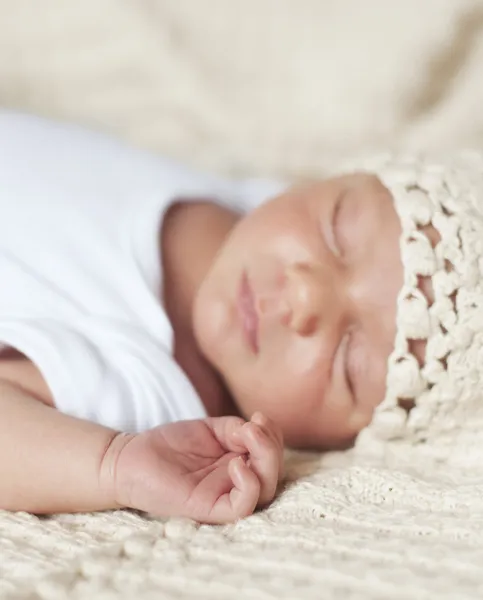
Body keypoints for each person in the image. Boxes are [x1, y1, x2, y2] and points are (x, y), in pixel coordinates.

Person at [0, 112, 480, 523]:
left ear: (343, 441)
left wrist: (113, 464)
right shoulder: (251, 205)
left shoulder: (158, 389)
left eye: (347, 360)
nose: (304, 294)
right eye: (337, 231)